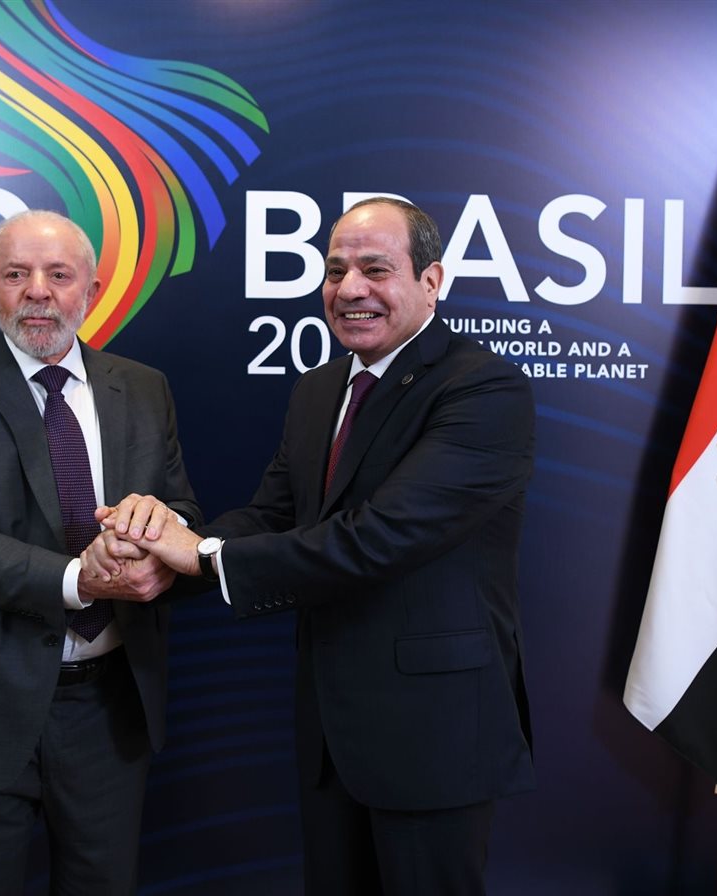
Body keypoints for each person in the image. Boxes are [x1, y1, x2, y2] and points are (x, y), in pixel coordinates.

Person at [88, 197, 536, 894]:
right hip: (332, 734)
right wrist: (156, 550)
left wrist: (198, 555)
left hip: (435, 736)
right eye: (335, 271)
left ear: (431, 282)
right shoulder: (320, 389)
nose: (350, 289)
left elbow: (380, 538)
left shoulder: (482, 389)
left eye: (375, 270)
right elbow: (271, 515)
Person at [0, 209, 201, 896]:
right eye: (16, 274)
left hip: (110, 706)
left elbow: (182, 514)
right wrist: (79, 578)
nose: (38, 291)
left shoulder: (144, 388)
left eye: (59, 274)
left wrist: (158, 544)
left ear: (91, 289)